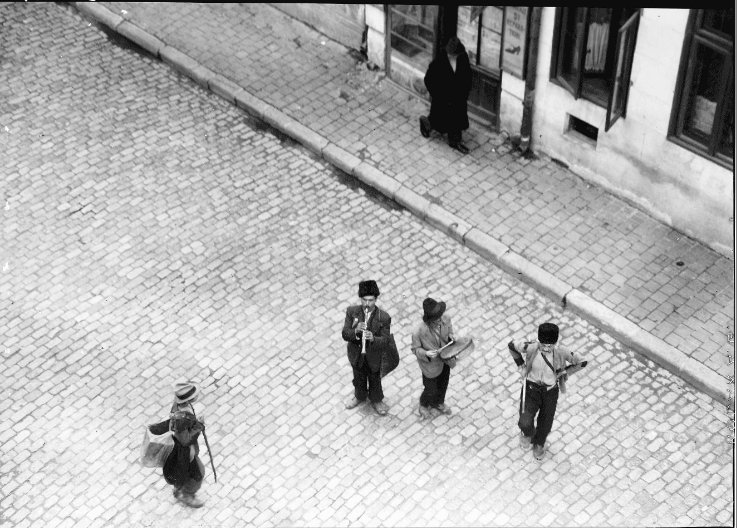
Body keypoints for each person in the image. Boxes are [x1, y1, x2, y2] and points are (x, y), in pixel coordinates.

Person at [508, 323, 585, 460]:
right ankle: (527, 434)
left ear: (555, 343)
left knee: (546, 423)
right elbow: (512, 345)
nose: (546, 348)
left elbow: (582, 362)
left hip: (550, 392)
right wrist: (521, 366)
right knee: (525, 421)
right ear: (539, 340)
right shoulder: (531, 347)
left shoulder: (562, 352)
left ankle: (539, 444)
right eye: (543, 344)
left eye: (550, 345)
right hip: (531, 389)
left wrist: (565, 372)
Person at [341, 280, 392, 416]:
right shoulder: (352, 312)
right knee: (358, 376)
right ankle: (359, 396)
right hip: (357, 354)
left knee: (375, 378)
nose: (367, 304)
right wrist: (356, 330)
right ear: (360, 298)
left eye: (371, 300)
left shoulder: (384, 317)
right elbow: (345, 334)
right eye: (364, 300)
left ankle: (376, 400)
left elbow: (386, 341)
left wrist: (373, 338)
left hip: (373, 356)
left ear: (376, 299)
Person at [420, 36, 472, 154]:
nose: (452, 56)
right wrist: (437, 94)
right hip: (443, 98)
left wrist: (465, 91)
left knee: (456, 120)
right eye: (451, 54)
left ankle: (455, 141)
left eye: (454, 55)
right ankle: (425, 123)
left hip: (458, 98)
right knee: (438, 120)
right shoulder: (440, 60)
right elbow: (429, 79)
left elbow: (468, 76)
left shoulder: (463, 58)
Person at [411, 297, 458, 419]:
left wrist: (451, 336)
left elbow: (449, 330)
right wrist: (426, 354)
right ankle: (423, 404)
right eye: (436, 319)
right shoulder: (418, 331)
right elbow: (415, 349)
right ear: (429, 319)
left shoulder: (446, 318)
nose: (439, 320)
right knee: (430, 388)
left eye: (440, 316)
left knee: (443, 384)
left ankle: (439, 402)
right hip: (430, 365)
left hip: (445, 359)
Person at [164, 381, 206, 507]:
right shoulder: (182, 417)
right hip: (185, 450)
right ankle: (186, 495)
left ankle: (179, 489)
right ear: (191, 398)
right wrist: (199, 426)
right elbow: (185, 440)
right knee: (198, 473)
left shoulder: (179, 405)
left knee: (183, 471)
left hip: (180, 446)